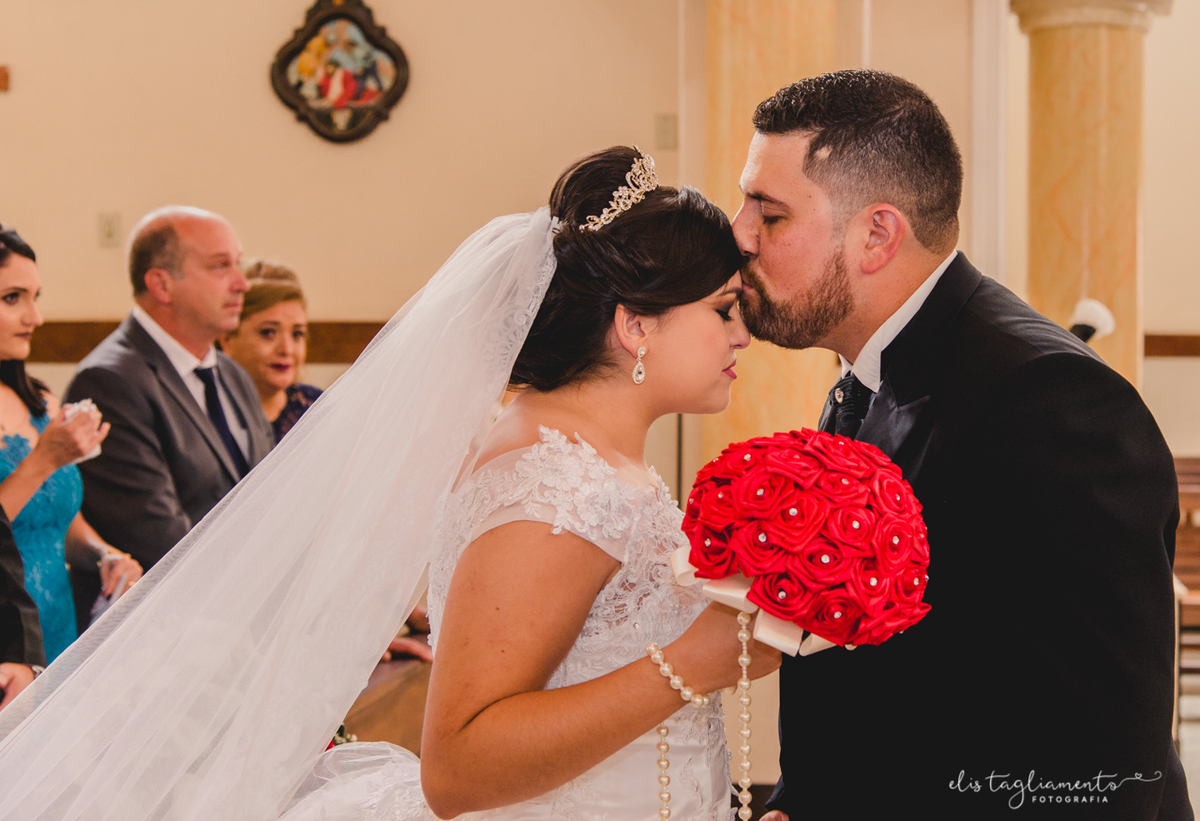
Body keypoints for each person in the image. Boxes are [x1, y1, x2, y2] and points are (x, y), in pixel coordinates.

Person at [0, 147, 780, 820]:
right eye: (721, 310)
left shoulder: (593, 458)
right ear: (635, 324)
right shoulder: (554, 488)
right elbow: (459, 766)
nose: (741, 333)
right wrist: (695, 662)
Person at [731, 71, 1189, 820]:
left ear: (878, 234)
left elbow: (1102, 766)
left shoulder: (1054, 405)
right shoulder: (866, 372)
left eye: (770, 214)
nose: (739, 232)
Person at [63, 207, 275, 588]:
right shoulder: (110, 382)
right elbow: (160, 540)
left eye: (237, 264)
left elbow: (273, 501)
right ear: (162, 285)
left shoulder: (230, 373)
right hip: (176, 619)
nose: (242, 282)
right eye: (220, 266)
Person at [0, 227, 142, 661]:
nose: (35, 317)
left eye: (35, 297)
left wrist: (103, 555)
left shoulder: (39, 399)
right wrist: (42, 461)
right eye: (12, 298)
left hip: (58, 631)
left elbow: (57, 520)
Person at [220, 261, 322, 442]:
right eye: (268, 332)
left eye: (297, 334)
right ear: (227, 339)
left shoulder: (319, 409)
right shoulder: (209, 409)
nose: (286, 349)